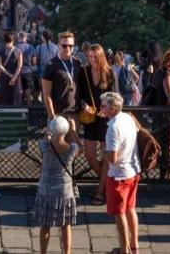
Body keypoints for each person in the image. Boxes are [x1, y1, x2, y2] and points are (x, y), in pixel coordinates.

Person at [100, 91, 140, 254]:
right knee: (131, 208)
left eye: (103, 106)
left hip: (118, 175)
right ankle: (134, 244)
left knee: (119, 213)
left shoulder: (112, 129)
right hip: (133, 170)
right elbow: (138, 129)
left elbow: (112, 159)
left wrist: (103, 150)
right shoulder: (128, 118)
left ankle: (124, 249)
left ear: (112, 108)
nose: (101, 108)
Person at [76, 43, 116, 203]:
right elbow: (78, 94)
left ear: (101, 57)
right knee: (90, 156)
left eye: (95, 57)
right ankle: (108, 184)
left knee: (107, 155)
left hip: (106, 118)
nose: (92, 60)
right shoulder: (84, 71)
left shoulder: (109, 72)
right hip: (90, 117)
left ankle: (101, 190)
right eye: (90, 57)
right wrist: (83, 104)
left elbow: (116, 97)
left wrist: (107, 109)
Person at [34, 115, 79, 254]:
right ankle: (67, 252)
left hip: (46, 190)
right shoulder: (72, 148)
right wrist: (74, 131)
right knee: (66, 226)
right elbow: (81, 146)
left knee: (45, 226)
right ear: (65, 131)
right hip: (65, 191)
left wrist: (48, 134)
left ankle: (43, 252)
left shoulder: (44, 146)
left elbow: (45, 140)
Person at [41, 30, 78, 121]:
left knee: (74, 135)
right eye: (64, 46)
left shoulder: (77, 62)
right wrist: (52, 115)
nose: (68, 48)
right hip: (58, 113)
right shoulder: (51, 65)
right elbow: (46, 94)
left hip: (75, 112)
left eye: (71, 46)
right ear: (58, 45)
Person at [0, 31, 25, 107]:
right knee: (15, 96)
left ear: (4, 40)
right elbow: (19, 66)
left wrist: (9, 74)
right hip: (16, 77)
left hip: (4, 77)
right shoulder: (18, 51)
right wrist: (14, 76)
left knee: (5, 96)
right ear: (13, 39)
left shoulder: (0, 50)